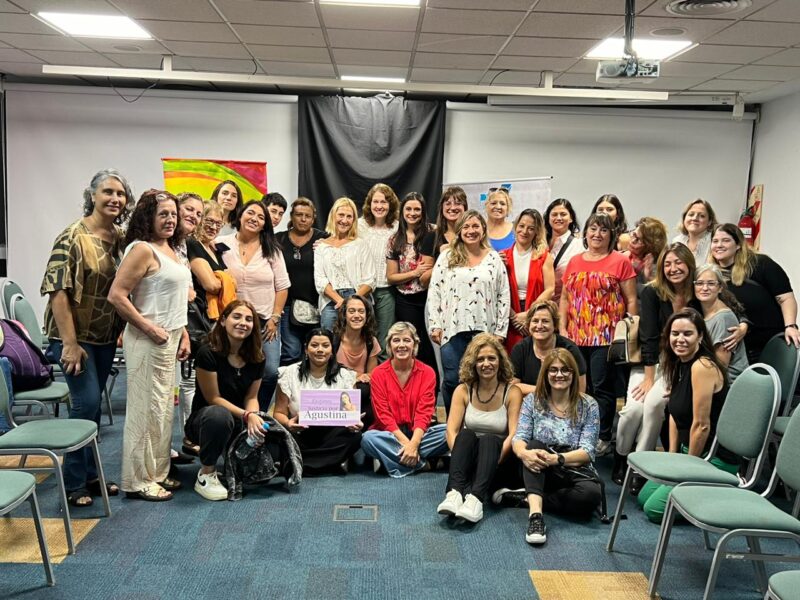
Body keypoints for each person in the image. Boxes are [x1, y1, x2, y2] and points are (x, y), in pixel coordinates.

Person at [40, 168, 133, 507]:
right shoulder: (73, 236)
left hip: (105, 336)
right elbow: (57, 291)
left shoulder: (121, 238)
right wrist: (69, 343)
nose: (115, 199)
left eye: (121, 194)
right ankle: (74, 483)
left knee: (91, 409)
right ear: (92, 195)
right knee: (86, 404)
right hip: (73, 338)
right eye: (108, 192)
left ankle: (91, 475)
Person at [108, 190, 191, 501]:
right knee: (144, 411)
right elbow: (117, 295)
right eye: (163, 214)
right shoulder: (142, 250)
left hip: (169, 338)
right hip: (147, 340)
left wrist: (181, 334)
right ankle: (137, 480)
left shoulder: (171, 248)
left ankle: (157, 472)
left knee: (161, 411)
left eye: (173, 214)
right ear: (148, 218)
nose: (170, 219)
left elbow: (175, 299)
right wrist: (148, 327)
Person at [637, 308, 737, 523]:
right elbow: (673, 412)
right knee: (644, 497)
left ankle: (720, 494)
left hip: (712, 457)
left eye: (687, 334)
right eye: (675, 334)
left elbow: (702, 426)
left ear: (700, 336)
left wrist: (688, 470)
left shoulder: (702, 367)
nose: (679, 339)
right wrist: (673, 456)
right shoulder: (677, 364)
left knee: (654, 510)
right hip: (687, 451)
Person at [613, 243, 695, 487]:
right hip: (649, 362)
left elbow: (726, 306)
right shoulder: (652, 292)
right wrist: (649, 378)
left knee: (653, 406)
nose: (673, 268)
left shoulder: (697, 293)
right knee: (632, 411)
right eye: (668, 264)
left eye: (678, 262)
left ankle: (640, 467)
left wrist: (743, 323)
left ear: (689, 264)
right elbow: (648, 337)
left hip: (678, 365)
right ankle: (621, 456)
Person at [559, 212, 637, 456]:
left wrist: (630, 331)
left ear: (611, 234)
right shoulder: (574, 261)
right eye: (593, 229)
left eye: (603, 230)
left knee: (602, 387)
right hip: (575, 335)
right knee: (577, 386)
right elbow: (564, 297)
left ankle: (602, 436)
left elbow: (631, 299)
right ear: (585, 233)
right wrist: (562, 328)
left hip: (606, 336)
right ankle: (577, 433)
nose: (597, 234)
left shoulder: (620, 261)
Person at [509, 348, 601, 545]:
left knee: (591, 497)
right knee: (533, 446)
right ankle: (535, 517)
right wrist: (524, 453)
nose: (559, 375)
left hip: (571, 467)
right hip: (538, 467)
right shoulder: (532, 401)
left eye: (565, 370)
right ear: (546, 374)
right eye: (553, 370)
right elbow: (519, 438)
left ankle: (526, 498)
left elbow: (587, 451)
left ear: (573, 374)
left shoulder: (589, 405)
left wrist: (557, 459)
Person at [427, 210, 511, 414]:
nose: (471, 231)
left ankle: (478, 424)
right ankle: (453, 427)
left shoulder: (493, 259)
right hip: (452, 329)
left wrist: (500, 330)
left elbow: (503, 294)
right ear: (459, 230)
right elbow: (435, 290)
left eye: (475, 226)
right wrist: (435, 324)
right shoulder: (447, 256)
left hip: (485, 331)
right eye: (466, 226)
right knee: (452, 380)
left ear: (483, 229)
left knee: (484, 379)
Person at [184, 300, 266, 501]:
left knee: (270, 443)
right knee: (219, 416)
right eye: (236, 317)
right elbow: (214, 398)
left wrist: (254, 417)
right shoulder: (207, 352)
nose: (243, 323)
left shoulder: (257, 356)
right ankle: (206, 473)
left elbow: (251, 397)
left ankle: (235, 461)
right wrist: (247, 415)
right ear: (222, 320)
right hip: (207, 420)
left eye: (249, 319)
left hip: (239, 418)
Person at [437, 334, 522, 523]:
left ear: (500, 361)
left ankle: (476, 500)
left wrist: (494, 460)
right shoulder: (463, 390)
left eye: (491, 358)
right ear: (473, 363)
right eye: (480, 359)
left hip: (500, 459)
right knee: (466, 434)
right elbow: (451, 431)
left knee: (490, 439)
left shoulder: (512, 392)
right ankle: (454, 494)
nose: (486, 364)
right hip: (469, 457)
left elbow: (515, 434)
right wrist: (461, 457)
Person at [217, 200, 288, 411]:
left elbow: (282, 286)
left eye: (261, 217)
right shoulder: (221, 244)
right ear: (240, 215)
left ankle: (260, 413)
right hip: (231, 320)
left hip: (265, 321)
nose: (254, 219)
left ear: (265, 224)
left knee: (270, 371)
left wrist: (275, 318)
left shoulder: (272, 250)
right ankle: (233, 413)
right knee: (230, 368)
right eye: (251, 213)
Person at [362, 322, 448, 477]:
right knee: (368, 439)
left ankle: (393, 459)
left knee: (450, 432)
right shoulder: (378, 374)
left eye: (406, 340)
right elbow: (383, 416)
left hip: (419, 433)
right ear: (389, 345)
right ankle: (424, 464)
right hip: (389, 433)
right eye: (396, 340)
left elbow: (424, 413)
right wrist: (409, 445)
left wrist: (413, 443)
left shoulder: (428, 372)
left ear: (414, 344)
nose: (401, 345)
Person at [274, 328, 362, 473]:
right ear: (306, 349)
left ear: (332, 350)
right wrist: (288, 423)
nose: (320, 350)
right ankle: (330, 464)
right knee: (278, 438)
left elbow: (351, 413)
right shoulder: (289, 373)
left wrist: (355, 422)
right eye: (314, 345)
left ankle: (300, 464)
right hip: (301, 433)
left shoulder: (345, 376)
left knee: (355, 436)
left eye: (325, 346)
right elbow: (278, 413)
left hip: (332, 435)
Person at [710, 223, 800, 362]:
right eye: (715, 241)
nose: (719, 245)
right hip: (738, 349)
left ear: (738, 245)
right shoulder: (710, 275)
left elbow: (786, 298)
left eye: (726, 240)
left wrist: (791, 326)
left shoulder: (760, 264)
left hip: (771, 344)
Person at [276, 197, 329, 365]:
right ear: (292, 217)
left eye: (307, 216)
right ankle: (288, 391)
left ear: (313, 218)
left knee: (316, 355)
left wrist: (329, 245)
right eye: (299, 215)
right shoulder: (278, 239)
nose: (303, 219)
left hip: (317, 305)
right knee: (291, 353)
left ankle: (310, 391)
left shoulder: (324, 239)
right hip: (287, 305)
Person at [386, 192, 436, 373]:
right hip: (406, 299)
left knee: (431, 343)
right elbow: (391, 277)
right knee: (414, 343)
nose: (412, 213)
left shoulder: (433, 233)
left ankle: (433, 384)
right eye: (408, 209)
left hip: (430, 297)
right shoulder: (394, 240)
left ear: (423, 212)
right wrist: (414, 273)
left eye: (417, 209)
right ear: (402, 211)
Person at [314, 197, 375, 332]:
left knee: (360, 342)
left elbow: (370, 280)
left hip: (359, 297)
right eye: (341, 215)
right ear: (333, 216)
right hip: (331, 301)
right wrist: (340, 301)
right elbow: (320, 280)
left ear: (353, 220)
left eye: (349, 216)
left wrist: (352, 302)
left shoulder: (361, 245)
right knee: (330, 344)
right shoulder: (321, 247)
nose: (345, 220)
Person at [502, 208, 555, 353]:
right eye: (522, 226)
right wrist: (514, 317)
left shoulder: (544, 256)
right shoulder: (502, 257)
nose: (525, 231)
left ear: (536, 232)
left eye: (531, 228)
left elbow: (550, 289)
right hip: (509, 316)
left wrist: (530, 314)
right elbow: (498, 294)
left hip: (536, 315)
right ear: (515, 226)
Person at [510, 300, 587, 396]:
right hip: (529, 405)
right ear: (529, 324)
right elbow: (513, 387)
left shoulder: (569, 348)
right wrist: (545, 390)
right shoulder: (520, 349)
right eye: (535, 321)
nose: (539, 326)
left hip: (564, 404)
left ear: (554, 325)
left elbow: (580, 390)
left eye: (545, 321)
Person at [358, 183, 400, 359]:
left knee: (383, 339)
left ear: (390, 205)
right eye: (375, 201)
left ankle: (380, 379)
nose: (379, 206)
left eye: (384, 202)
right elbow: (339, 237)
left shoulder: (397, 227)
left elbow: (421, 228)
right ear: (369, 204)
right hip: (362, 290)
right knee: (361, 336)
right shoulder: (360, 225)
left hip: (386, 290)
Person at [694, 264, 749, 382]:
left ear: (720, 288)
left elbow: (720, 369)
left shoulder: (723, 318)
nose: (704, 288)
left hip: (728, 385)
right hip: (707, 377)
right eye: (699, 283)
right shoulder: (701, 312)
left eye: (711, 283)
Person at [419, 186, 468, 284]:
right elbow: (423, 280)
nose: (452, 207)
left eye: (458, 203)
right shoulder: (432, 238)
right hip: (442, 296)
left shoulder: (472, 236)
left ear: (465, 208)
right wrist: (444, 259)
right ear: (442, 208)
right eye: (448, 204)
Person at [333, 295, 380, 382]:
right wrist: (355, 377)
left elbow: (372, 374)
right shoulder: (333, 340)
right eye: (351, 311)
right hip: (337, 386)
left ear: (367, 315)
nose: (357, 315)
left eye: (361, 311)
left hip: (360, 388)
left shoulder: (371, 341)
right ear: (344, 315)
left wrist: (365, 377)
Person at [544, 198, 582, 305]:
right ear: (548, 218)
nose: (558, 218)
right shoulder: (539, 244)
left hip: (566, 306)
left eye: (563, 214)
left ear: (571, 218)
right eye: (554, 214)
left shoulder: (579, 246)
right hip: (538, 306)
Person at [624, 217, 668, 291]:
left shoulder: (657, 267)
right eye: (633, 234)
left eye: (639, 240)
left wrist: (648, 278)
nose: (633, 241)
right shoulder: (623, 256)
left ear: (650, 246)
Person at [672, 198, 717, 265]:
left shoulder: (715, 242)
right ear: (684, 219)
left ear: (709, 222)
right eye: (691, 214)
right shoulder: (677, 241)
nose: (695, 218)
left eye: (701, 216)